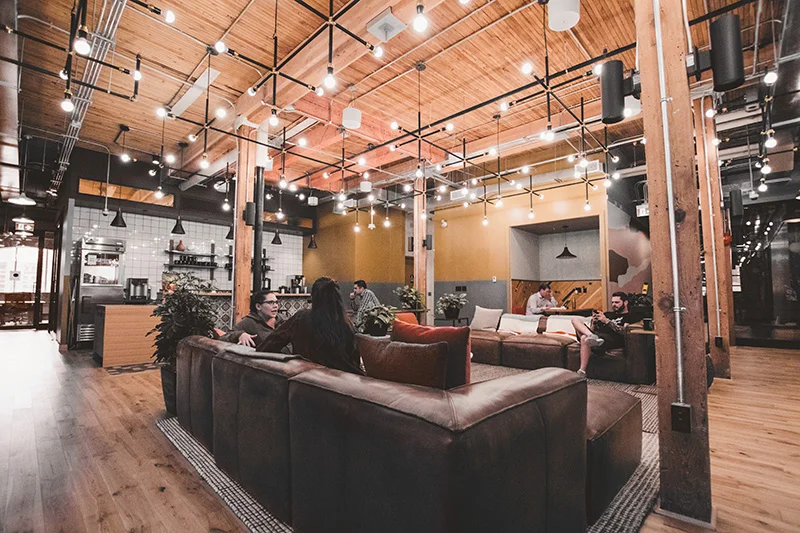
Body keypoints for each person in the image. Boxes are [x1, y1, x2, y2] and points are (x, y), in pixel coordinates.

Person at [257, 277, 363, 375]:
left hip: (307, 382)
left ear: (313, 297)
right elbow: (355, 360)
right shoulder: (347, 324)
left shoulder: (301, 318)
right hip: (345, 383)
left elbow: (268, 346)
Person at [571, 292, 641, 376]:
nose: (614, 305)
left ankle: (582, 371)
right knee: (575, 319)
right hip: (597, 338)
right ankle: (591, 336)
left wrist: (606, 321)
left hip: (611, 339)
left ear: (625, 303)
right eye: (612, 302)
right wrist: (594, 322)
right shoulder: (608, 314)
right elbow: (594, 329)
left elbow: (624, 332)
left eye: (617, 302)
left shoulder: (631, 316)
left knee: (583, 338)